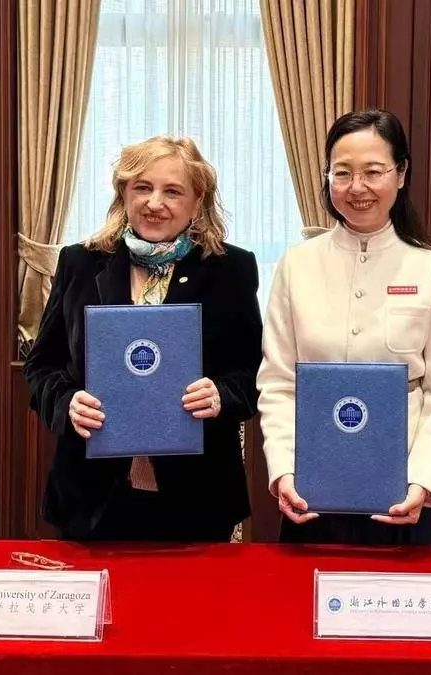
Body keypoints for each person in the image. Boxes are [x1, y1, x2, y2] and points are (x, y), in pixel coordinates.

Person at [24, 135, 263, 543]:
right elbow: (41, 367)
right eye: (142, 187)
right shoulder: (80, 262)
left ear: (197, 202)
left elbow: (254, 373)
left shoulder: (231, 269)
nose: (154, 203)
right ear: (123, 193)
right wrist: (67, 402)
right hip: (93, 496)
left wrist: (222, 395)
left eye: (172, 191)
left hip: (198, 496)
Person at [256, 109, 431, 546]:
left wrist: (423, 478)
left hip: (404, 487)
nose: (357, 188)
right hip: (311, 488)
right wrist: (284, 470)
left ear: (401, 173)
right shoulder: (297, 264)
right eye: (342, 173)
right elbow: (278, 383)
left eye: (373, 172)